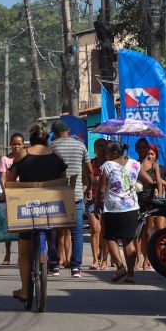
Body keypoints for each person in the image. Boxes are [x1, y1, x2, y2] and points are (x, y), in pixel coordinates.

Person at [7, 122, 67, 303]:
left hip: (28, 210)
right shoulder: (56, 156)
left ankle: (25, 291)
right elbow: (63, 182)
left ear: (30, 140)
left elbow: (10, 182)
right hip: (51, 209)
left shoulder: (22, 155)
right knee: (52, 226)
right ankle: (52, 244)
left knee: (24, 250)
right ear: (47, 139)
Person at [48, 120, 90, 278]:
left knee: (54, 231)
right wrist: (89, 187)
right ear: (68, 130)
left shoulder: (51, 147)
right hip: (75, 195)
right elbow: (89, 171)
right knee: (77, 233)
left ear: (54, 134)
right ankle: (76, 268)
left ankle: (54, 265)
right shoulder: (80, 145)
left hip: (56, 195)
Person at [99, 140, 143, 283]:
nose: (105, 155)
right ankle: (131, 275)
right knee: (128, 240)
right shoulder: (135, 164)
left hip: (112, 207)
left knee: (110, 237)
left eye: (106, 152)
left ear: (113, 153)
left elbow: (101, 190)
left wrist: (97, 205)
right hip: (131, 207)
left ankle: (120, 267)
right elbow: (148, 181)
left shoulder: (107, 166)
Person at [136, 143, 166, 263]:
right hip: (139, 201)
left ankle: (160, 257)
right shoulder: (135, 165)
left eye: (152, 154)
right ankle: (142, 258)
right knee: (141, 231)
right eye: (149, 154)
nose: (150, 156)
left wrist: (159, 182)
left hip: (157, 201)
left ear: (156, 155)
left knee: (159, 230)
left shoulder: (160, 168)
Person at [0, 133, 24, 264]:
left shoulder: (25, 158)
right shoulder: (5, 160)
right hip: (8, 192)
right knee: (8, 224)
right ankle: (7, 253)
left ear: (23, 145)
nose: (16, 146)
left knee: (22, 226)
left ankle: (21, 255)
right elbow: (2, 178)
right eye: (14, 144)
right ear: (10, 145)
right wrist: (6, 191)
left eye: (19, 144)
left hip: (22, 193)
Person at [85, 138, 108, 270]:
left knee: (105, 231)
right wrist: (89, 185)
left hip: (107, 201)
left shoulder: (110, 164)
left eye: (104, 146)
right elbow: (85, 181)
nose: (102, 148)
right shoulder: (90, 164)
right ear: (94, 149)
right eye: (99, 146)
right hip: (92, 200)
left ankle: (104, 259)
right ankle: (95, 260)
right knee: (95, 229)